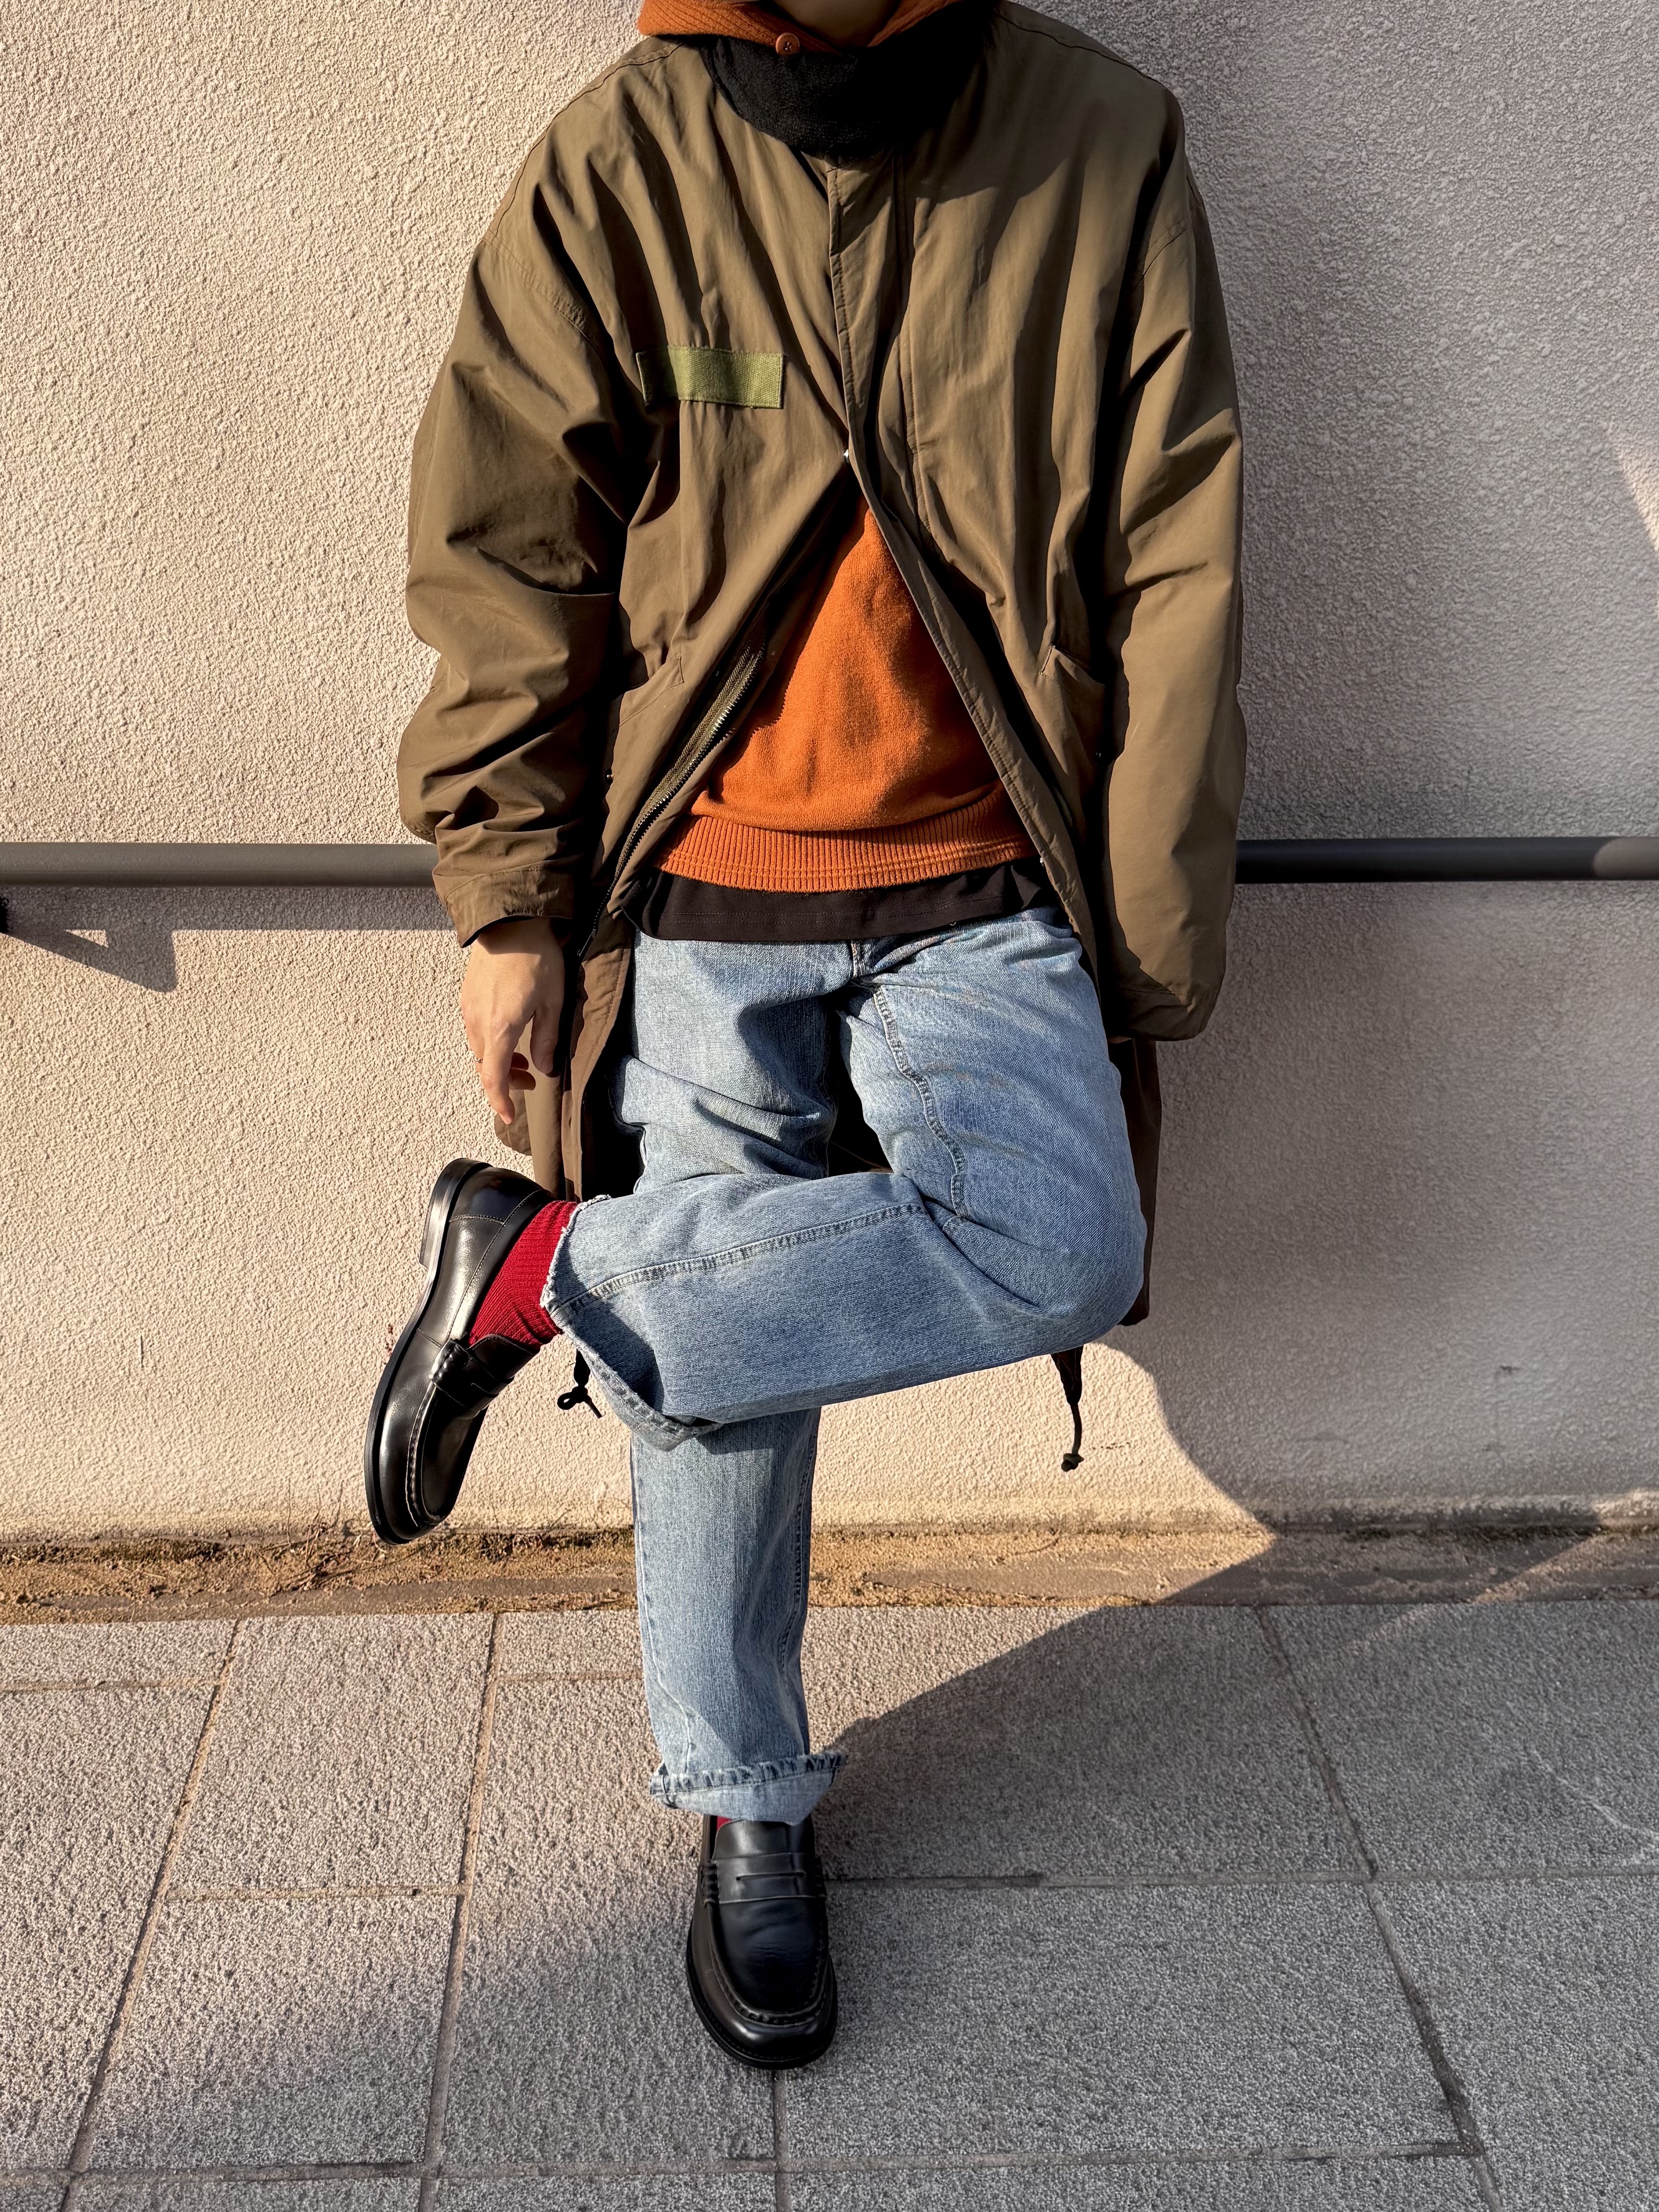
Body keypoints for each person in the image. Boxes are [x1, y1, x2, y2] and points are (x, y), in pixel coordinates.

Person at [365, 0, 1244, 2070]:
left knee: (1063, 1240)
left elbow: (1173, 557)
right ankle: (744, 1803)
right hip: (701, 882)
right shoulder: (626, 157)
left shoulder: (1098, 141)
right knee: (723, 1371)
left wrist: (1147, 931)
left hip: (985, 878)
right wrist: (510, 897)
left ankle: (531, 1271)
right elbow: (507, 541)